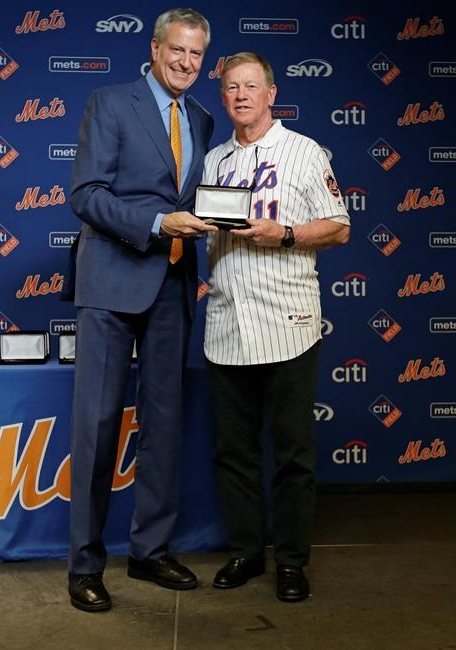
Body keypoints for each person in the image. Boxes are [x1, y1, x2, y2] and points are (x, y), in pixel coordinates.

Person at [65, 8, 216, 612]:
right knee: (98, 427)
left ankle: (149, 553)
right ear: (155, 48)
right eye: (176, 51)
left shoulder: (203, 118)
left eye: (196, 56)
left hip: (174, 286)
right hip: (110, 281)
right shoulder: (110, 101)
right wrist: (156, 222)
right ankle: (84, 565)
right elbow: (86, 194)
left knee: (164, 428)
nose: (185, 63)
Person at [201, 52, 350, 602]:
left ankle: (291, 560)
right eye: (231, 87)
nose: (241, 95)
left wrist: (285, 233)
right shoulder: (213, 160)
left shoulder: (305, 151)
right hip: (225, 326)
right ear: (224, 96)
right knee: (234, 451)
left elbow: (339, 227)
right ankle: (245, 550)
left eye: (251, 86)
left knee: (291, 453)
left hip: (288, 324)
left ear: (271, 93)